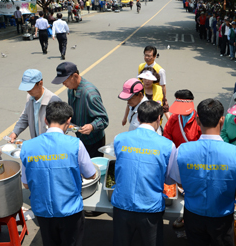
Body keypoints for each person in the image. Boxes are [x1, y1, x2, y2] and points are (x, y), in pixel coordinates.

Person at [20, 101, 97, 246]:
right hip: (70, 211)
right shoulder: (75, 144)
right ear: (68, 121)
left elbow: (25, 183)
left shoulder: (27, 146)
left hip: (43, 211)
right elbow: (91, 174)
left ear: (45, 120)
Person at [168, 99, 236, 246]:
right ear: (222, 120)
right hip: (222, 218)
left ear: (198, 120)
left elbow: (177, 180)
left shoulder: (183, 150)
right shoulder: (234, 153)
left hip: (193, 216)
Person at [111, 100, 176, 246]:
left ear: (138, 118)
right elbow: (170, 180)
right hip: (150, 208)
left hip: (122, 205)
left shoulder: (119, 139)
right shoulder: (167, 145)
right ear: (159, 118)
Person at [52, 62, 109, 158]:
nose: (63, 83)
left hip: (93, 142)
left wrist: (92, 126)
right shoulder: (70, 89)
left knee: (93, 169)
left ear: (75, 76)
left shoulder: (89, 93)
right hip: (80, 138)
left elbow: (104, 119)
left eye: (65, 80)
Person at [9, 69, 62, 142]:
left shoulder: (53, 100)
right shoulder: (29, 97)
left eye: (30, 87)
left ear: (40, 83)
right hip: (37, 142)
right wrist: (15, 132)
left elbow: (60, 127)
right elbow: (25, 117)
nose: (27, 90)